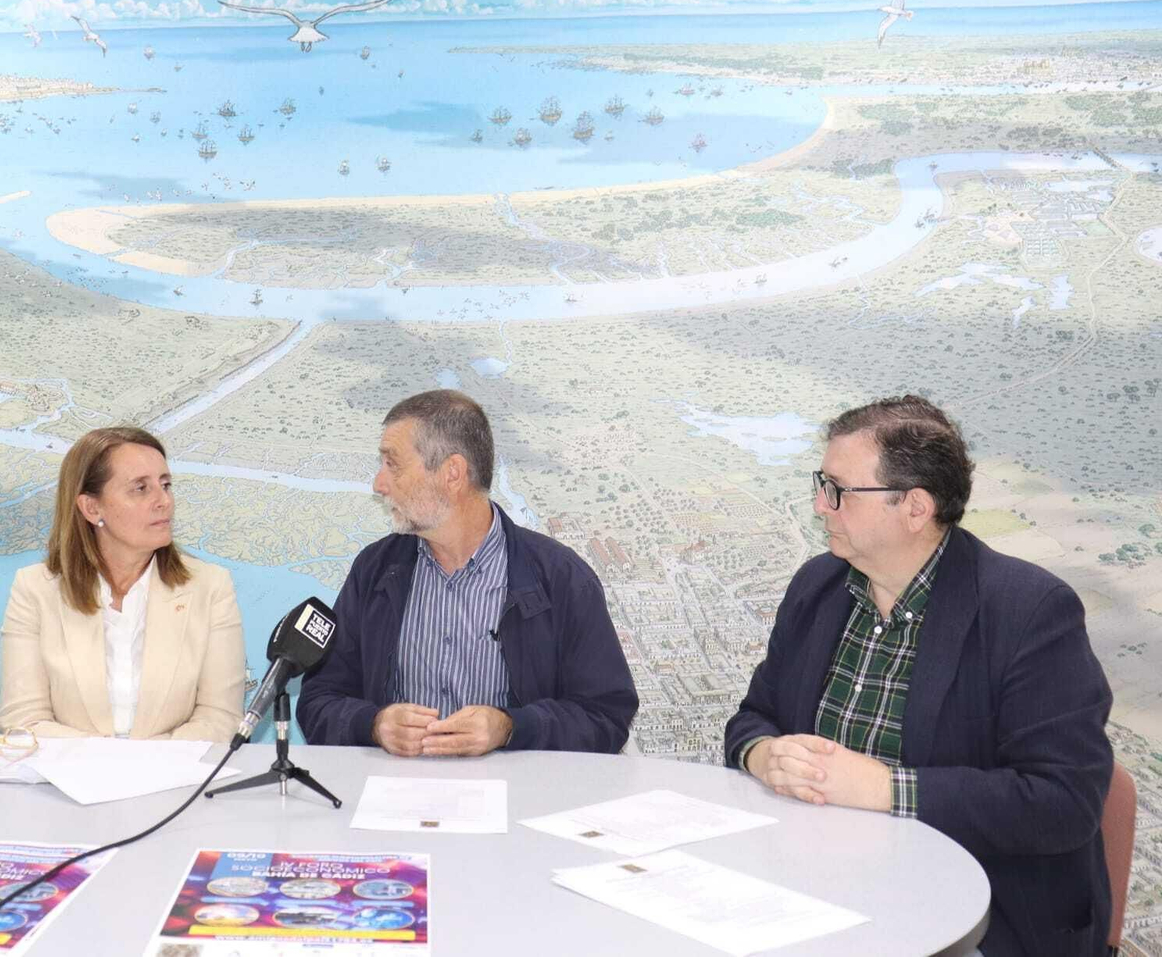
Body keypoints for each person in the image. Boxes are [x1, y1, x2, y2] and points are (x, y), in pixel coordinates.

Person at [724, 396, 1112, 956]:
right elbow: (754, 716)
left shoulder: (1028, 611)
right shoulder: (819, 586)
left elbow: (1063, 801)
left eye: (839, 490)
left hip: (978, 917)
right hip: (817, 893)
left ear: (915, 508)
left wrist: (883, 788)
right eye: (820, 483)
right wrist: (764, 754)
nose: (819, 505)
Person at [297, 390, 637, 756]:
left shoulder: (561, 578)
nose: (379, 484)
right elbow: (318, 700)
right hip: (396, 799)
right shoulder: (376, 570)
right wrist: (374, 724)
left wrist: (511, 727)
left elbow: (606, 717)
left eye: (392, 464)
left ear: (452, 473)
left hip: (517, 802)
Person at [0, 426, 245, 742]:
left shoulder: (210, 587)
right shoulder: (34, 589)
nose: (163, 501)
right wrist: (108, 762)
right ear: (91, 507)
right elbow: (24, 720)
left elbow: (219, 718)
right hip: (68, 779)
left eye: (165, 485)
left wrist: (144, 765)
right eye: (141, 489)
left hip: (174, 779)